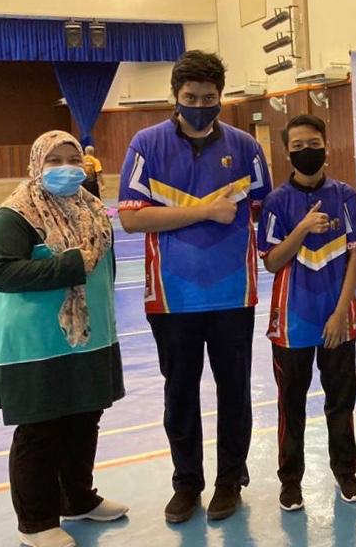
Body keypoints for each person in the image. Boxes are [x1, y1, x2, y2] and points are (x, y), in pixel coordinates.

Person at [118, 51, 271, 523]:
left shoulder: (246, 146)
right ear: (175, 96)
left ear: (221, 96)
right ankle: (187, 483)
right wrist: (205, 211)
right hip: (171, 297)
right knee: (180, 393)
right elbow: (131, 218)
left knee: (234, 392)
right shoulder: (146, 144)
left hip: (233, 295)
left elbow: (267, 211)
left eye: (209, 97)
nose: (200, 105)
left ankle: (230, 481)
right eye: (191, 97)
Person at [0, 130, 127, 547]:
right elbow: (0, 272)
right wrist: (68, 266)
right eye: (55, 161)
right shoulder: (15, 215)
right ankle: (35, 522)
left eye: (73, 159)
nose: (67, 168)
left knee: (84, 419)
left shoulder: (93, 208)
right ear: (36, 164)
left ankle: (77, 498)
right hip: (36, 344)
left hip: (89, 338)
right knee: (40, 430)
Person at [258, 114, 356, 512]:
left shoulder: (346, 196)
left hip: (337, 318)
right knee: (292, 404)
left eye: (313, 144)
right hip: (292, 321)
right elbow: (272, 262)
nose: (307, 151)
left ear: (326, 146)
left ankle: (346, 471)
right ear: (287, 152)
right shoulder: (275, 202)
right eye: (298, 146)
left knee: (340, 400)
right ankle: (290, 480)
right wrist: (301, 229)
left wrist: (341, 312)